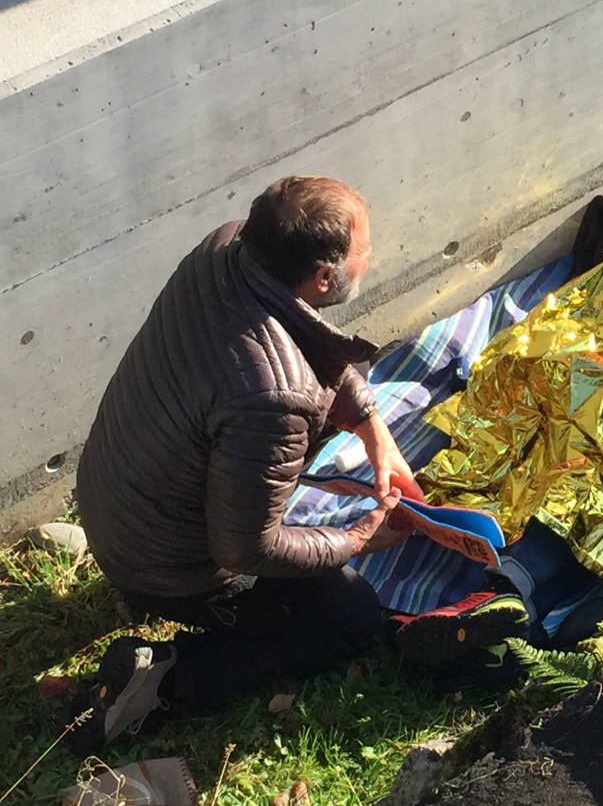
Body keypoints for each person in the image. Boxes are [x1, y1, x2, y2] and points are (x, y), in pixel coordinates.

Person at [69, 176, 422, 754]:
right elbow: (247, 552)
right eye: (365, 249)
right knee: (351, 618)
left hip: (112, 497)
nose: (372, 256)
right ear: (324, 278)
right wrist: (361, 536)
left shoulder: (225, 247)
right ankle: (162, 680)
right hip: (160, 567)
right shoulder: (272, 401)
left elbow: (309, 346)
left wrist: (371, 427)